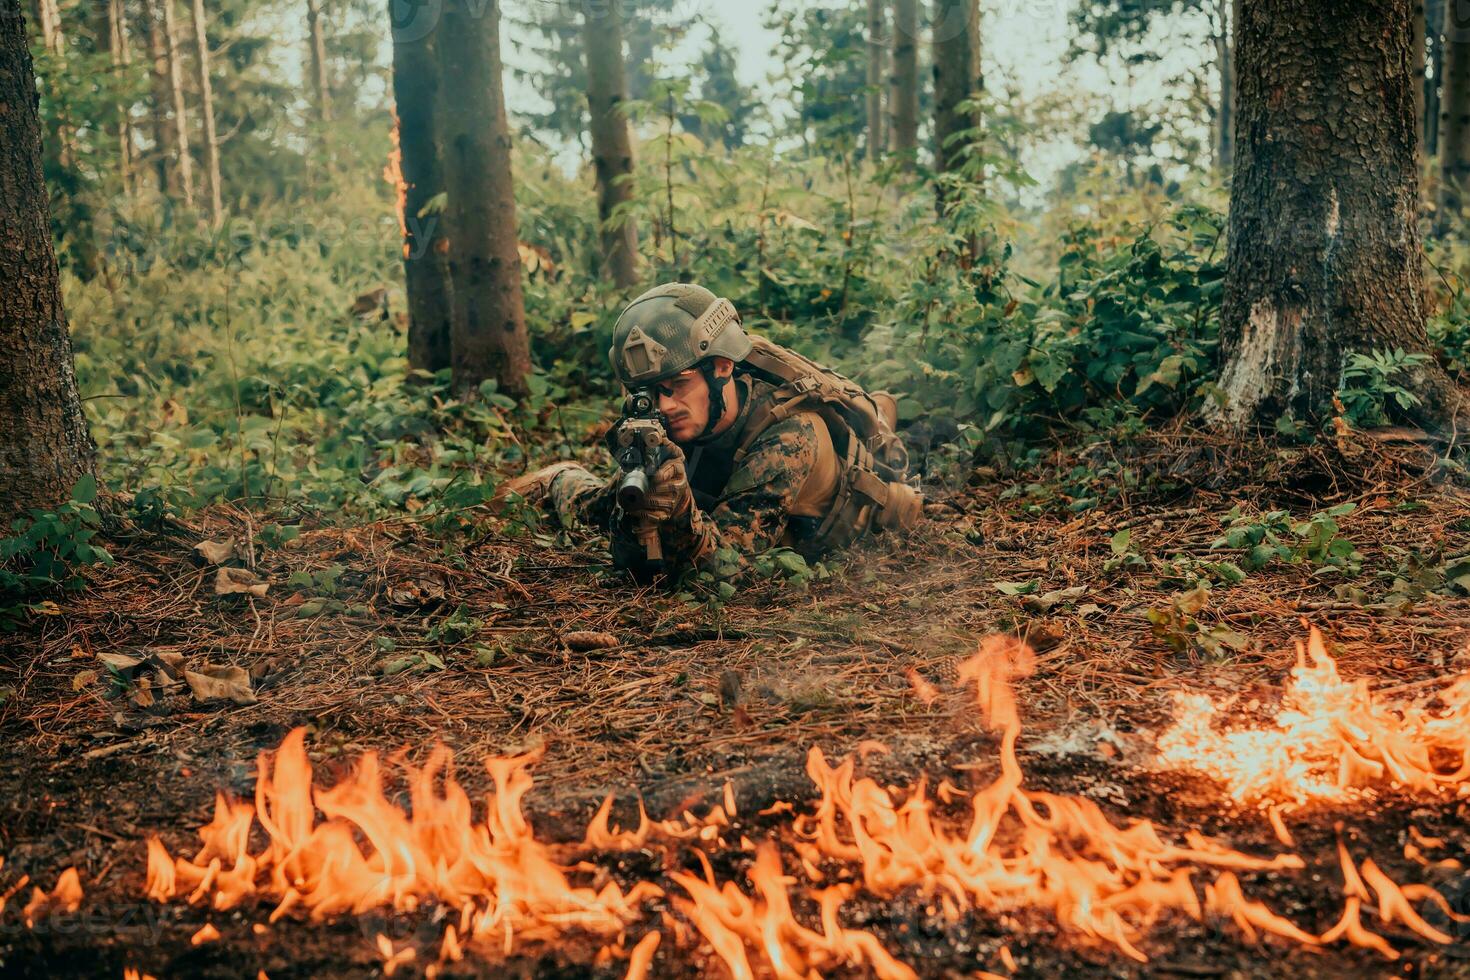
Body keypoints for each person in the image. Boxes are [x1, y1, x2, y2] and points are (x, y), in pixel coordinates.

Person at [495, 282, 922, 579]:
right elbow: (612, 525)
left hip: (850, 521)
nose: (664, 407)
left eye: (676, 386)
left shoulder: (789, 435)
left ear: (721, 367)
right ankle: (558, 475)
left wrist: (679, 513)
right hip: (720, 491)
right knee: (595, 507)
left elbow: (725, 569)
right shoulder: (676, 414)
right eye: (649, 393)